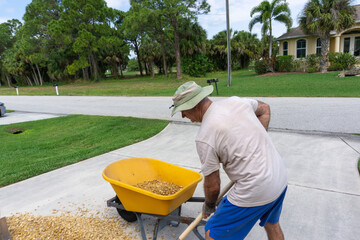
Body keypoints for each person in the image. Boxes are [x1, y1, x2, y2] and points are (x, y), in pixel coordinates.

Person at [170, 81, 288, 240]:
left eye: (183, 110)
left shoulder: (205, 136)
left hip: (256, 187)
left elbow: (213, 186)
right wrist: (259, 145)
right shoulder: (236, 101)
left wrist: (209, 206)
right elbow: (264, 109)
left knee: (213, 233)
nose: (183, 115)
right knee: (272, 225)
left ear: (195, 106)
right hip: (279, 176)